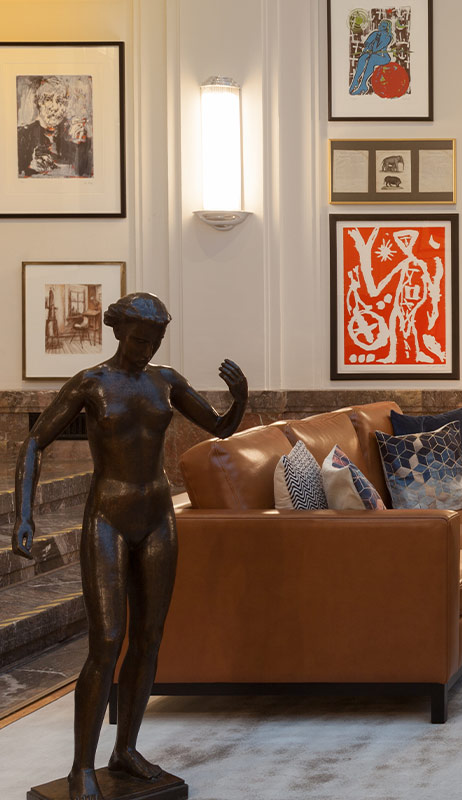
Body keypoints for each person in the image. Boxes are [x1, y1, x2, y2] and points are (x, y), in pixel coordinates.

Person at [11, 293, 247, 800]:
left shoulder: (167, 381)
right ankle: (81, 766)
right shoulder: (91, 383)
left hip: (158, 516)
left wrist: (240, 397)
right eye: (140, 340)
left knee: (149, 636)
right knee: (107, 640)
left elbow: (220, 427)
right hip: (108, 517)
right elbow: (34, 441)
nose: (146, 350)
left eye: (155, 341)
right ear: (119, 333)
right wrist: (24, 514)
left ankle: (126, 751)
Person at [17, 77, 92, 178]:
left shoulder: (72, 135)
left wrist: (80, 147)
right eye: (48, 99)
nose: (55, 107)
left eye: (59, 101)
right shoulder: (22, 136)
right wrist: (29, 167)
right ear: (39, 102)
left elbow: (84, 174)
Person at [349, 20, 393, 95]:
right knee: (363, 58)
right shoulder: (375, 33)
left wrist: (375, 40)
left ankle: (363, 84)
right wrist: (368, 47)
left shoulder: (388, 37)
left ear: (386, 28)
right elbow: (366, 43)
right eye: (380, 24)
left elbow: (377, 49)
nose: (379, 26)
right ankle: (355, 80)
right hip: (371, 53)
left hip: (383, 57)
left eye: (382, 26)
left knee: (372, 59)